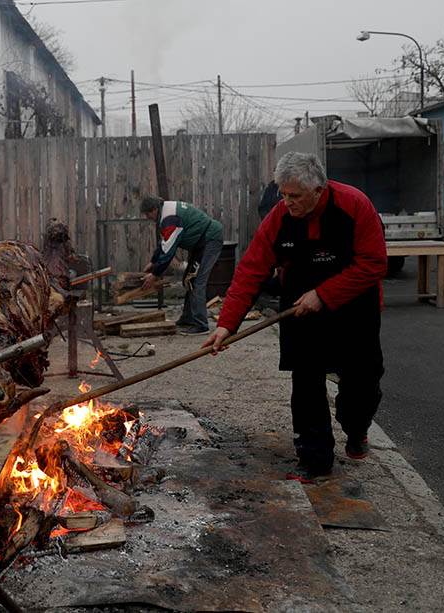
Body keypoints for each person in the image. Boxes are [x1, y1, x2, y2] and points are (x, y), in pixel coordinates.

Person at [204, 152, 387, 483]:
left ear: (318, 190)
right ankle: (315, 461)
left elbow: (374, 263)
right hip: (300, 308)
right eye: (283, 194)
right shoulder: (278, 218)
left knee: (362, 382)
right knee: (306, 384)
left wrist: (325, 294)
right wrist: (225, 325)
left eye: (295, 196)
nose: (287, 202)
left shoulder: (354, 205)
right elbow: (251, 270)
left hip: (355, 307)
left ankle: (356, 428)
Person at [139, 196, 224, 335]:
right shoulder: (166, 212)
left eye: (148, 214)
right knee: (189, 280)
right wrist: (154, 261)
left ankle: (201, 325)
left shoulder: (170, 218)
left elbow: (169, 251)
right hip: (200, 243)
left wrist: (155, 274)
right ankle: (188, 319)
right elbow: (165, 242)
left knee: (198, 282)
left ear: (154, 209)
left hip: (209, 240)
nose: (147, 217)